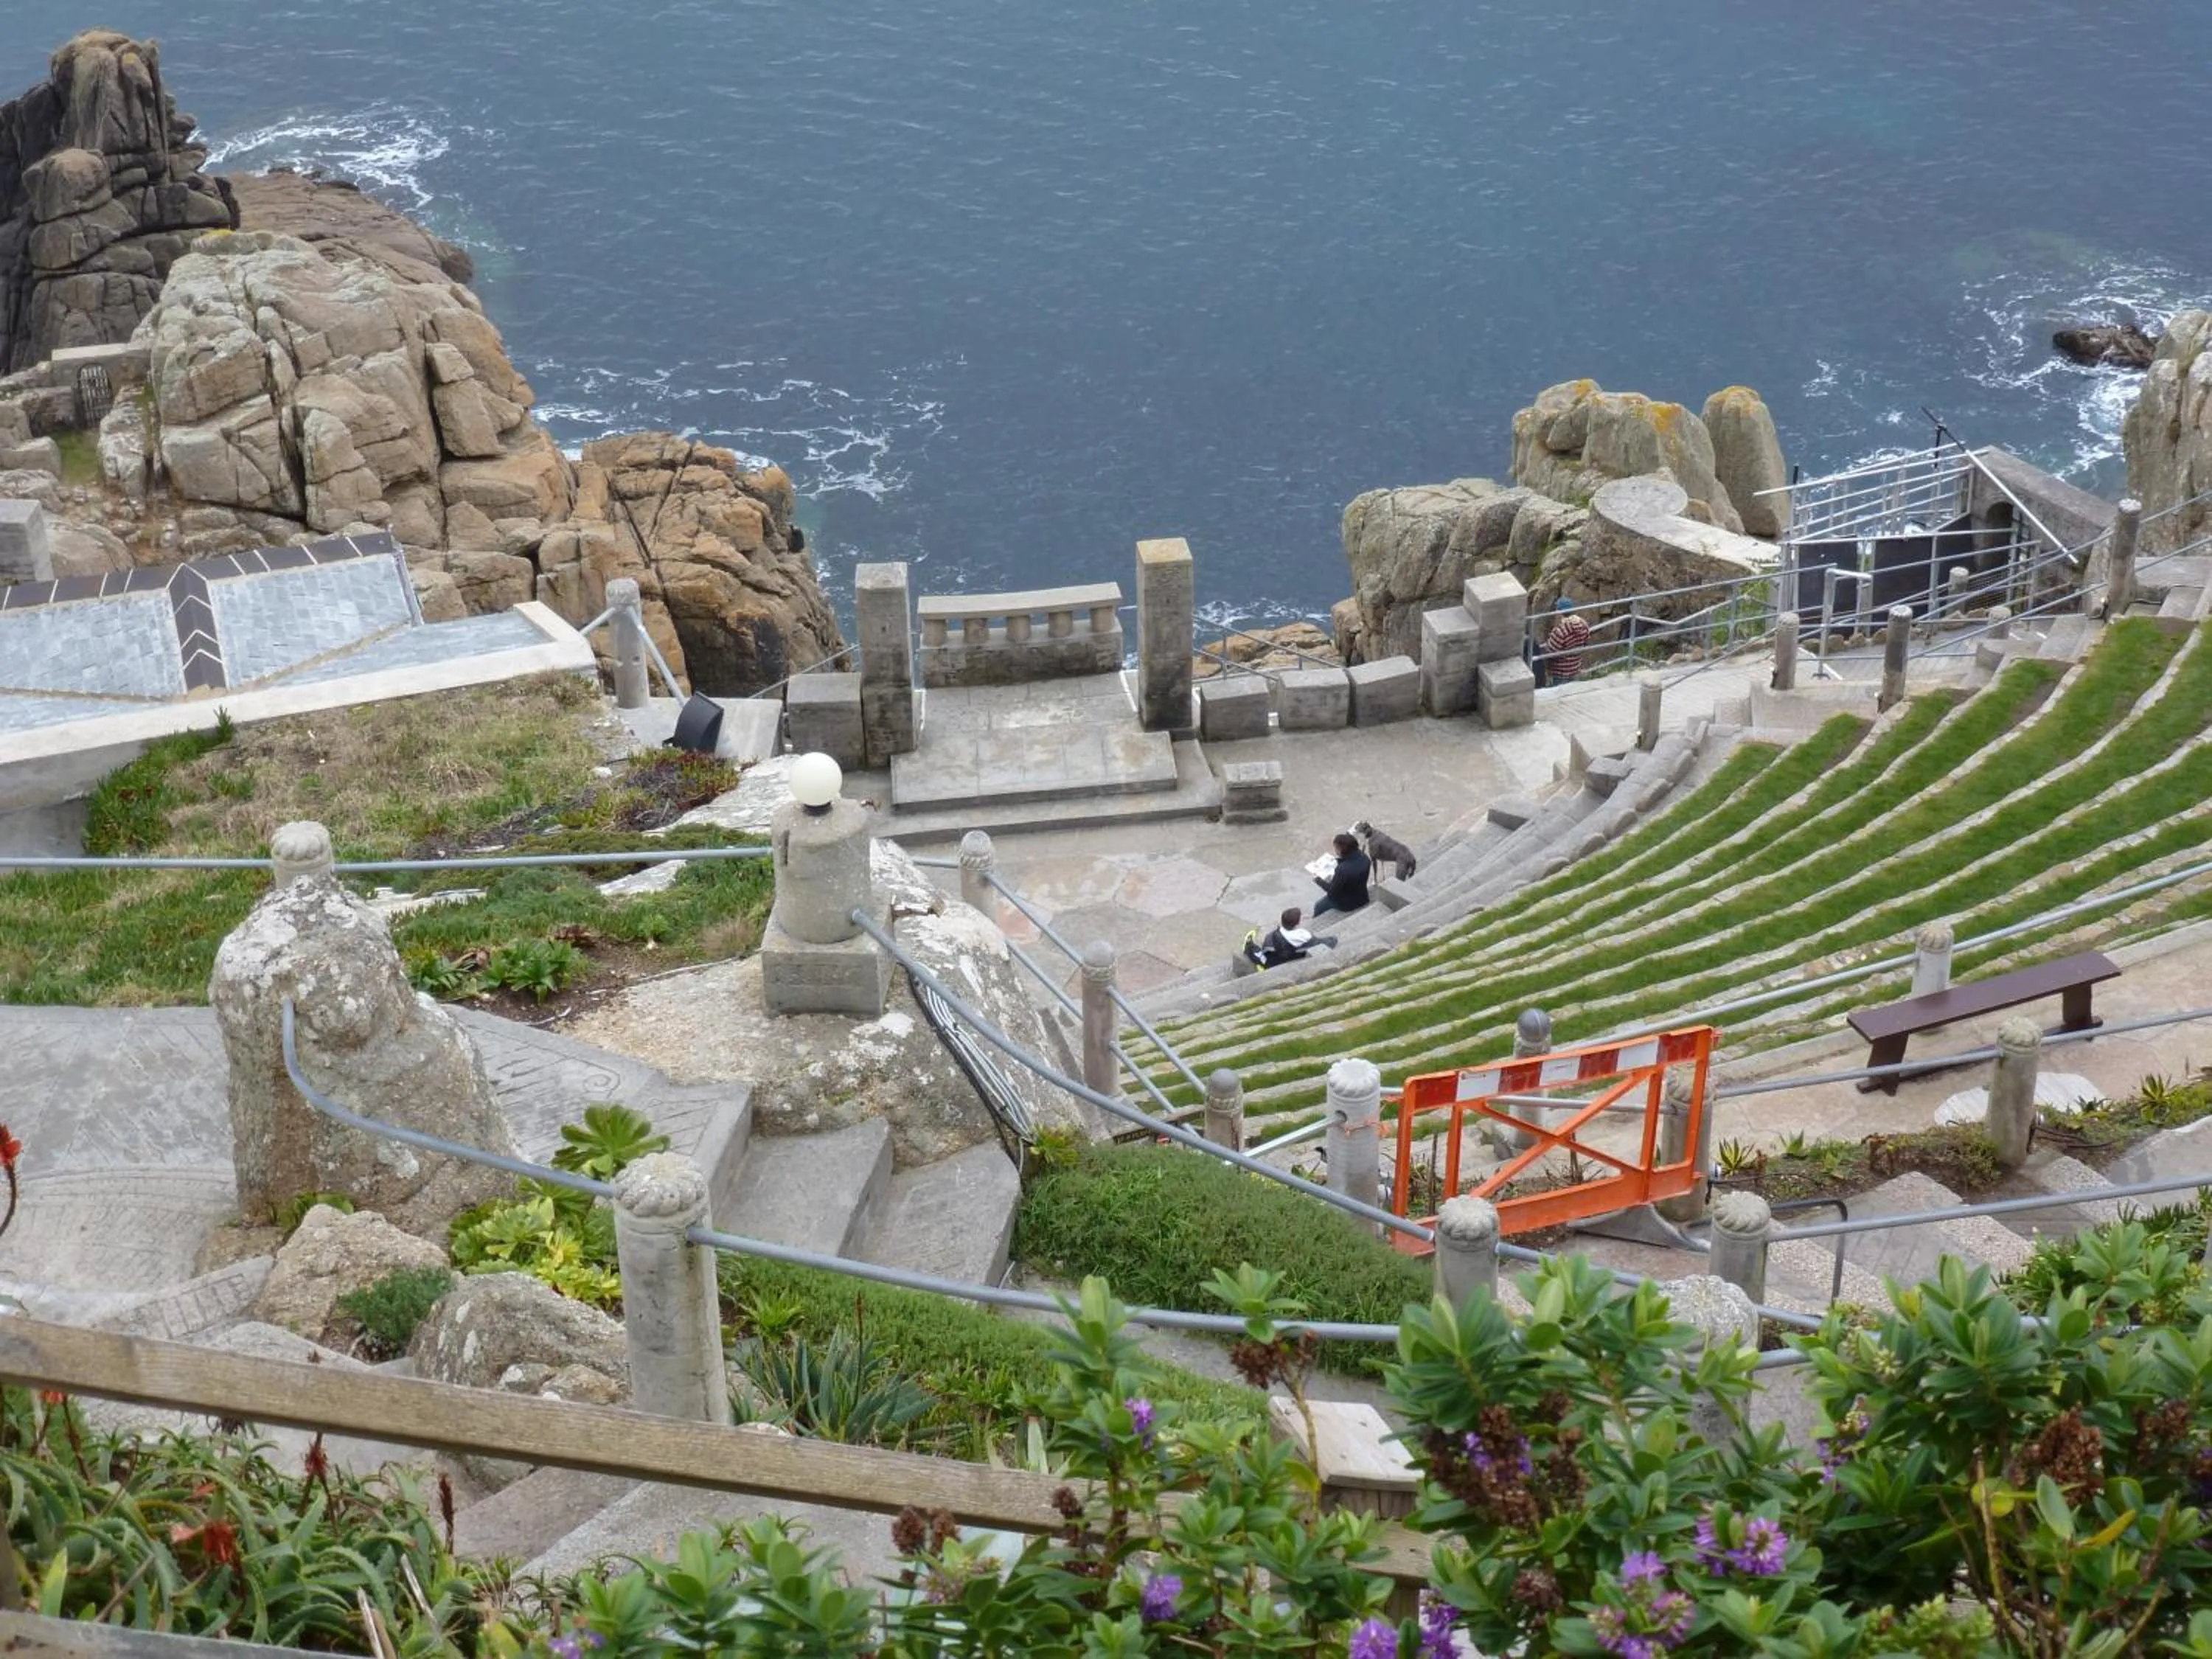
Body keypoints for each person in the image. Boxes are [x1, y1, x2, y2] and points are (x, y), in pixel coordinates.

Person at [1312, 831, 1370, 917]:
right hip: (1363, 897)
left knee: (1318, 906)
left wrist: (1318, 880)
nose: (1335, 851)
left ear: (1340, 850)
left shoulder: (1342, 870)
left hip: (1348, 904)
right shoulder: (1365, 858)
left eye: (1336, 848)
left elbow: (1332, 892)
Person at [1538, 595, 1590, 686]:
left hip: (1561, 671)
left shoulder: (1560, 630)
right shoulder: (1584, 624)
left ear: (1560, 612)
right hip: (1575, 667)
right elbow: (1586, 642)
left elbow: (1551, 651)